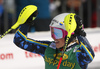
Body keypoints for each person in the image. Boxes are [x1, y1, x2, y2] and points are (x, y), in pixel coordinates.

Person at [13, 5, 95, 69]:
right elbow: (20, 41)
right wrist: (26, 23)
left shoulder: (78, 53)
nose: (53, 37)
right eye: (52, 32)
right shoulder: (48, 48)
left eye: (57, 33)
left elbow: (90, 56)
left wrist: (79, 34)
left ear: (70, 34)